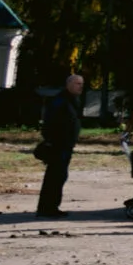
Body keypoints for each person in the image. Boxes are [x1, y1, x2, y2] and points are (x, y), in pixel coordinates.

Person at [37, 72, 84, 218]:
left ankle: (51, 206)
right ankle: (47, 208)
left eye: (82, 84)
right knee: (55, 176)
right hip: (58, 145)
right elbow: (49, 121)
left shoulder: (72, 100)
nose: (80, 86)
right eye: (77, 83)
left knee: (60, 176)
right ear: (68, 84)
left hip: (66, 145)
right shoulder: (60, 100)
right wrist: (51, 141)